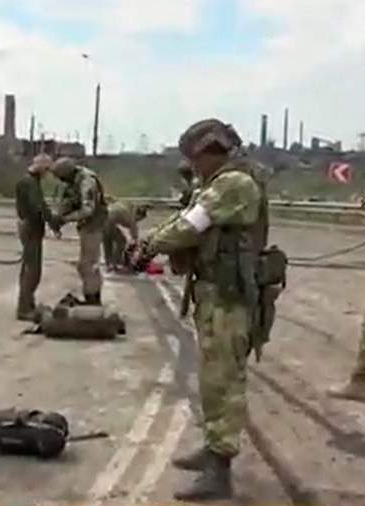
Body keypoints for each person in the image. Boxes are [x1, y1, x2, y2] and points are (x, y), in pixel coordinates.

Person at [132, 119, 266, 501]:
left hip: (230, 299)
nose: (192, 166)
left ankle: (219, 468)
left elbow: (190, 226)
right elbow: (184, 218)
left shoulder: (234, 184)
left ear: (211, 151)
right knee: (211, 378)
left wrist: (151, 245)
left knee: (224, 380)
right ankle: (212, 449)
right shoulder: (215, 184)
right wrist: (153, 241)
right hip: (213, 294)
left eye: (194, 158)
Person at [51, 157, 108, 305]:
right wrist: (59, 216)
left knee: (88, 265)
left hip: (94, 224)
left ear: (68, 173)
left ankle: (93, 300)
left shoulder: (86, 181)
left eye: (62, 177)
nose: (62, 181)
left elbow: (88, 209)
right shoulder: (74, 180)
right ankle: (92, 298)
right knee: (86, 265)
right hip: (86, 225)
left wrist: (65, 219)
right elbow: (68, 201)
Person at [15, 153, 58, 321]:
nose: (47, 172)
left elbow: (41, 205)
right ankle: (24, 308)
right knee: (33, 270)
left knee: (29, 267)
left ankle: (27, 303)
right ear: (40, 165)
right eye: (47, 168)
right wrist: (52, 221)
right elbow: (38, 207)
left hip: (29, 226)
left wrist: (50, 221)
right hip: (31, 228)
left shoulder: (30, 181)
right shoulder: (29, 183)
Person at [103, 201, 149, 271]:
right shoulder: (132, 216)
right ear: (139, 215)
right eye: (139, 219)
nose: (138, 221)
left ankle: (108, 263)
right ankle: (114, 262)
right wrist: (137, 245)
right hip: (108, 221)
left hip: (101, 220)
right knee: (122, 241)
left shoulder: (127, 207)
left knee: (107, 242)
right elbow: (134, 235)